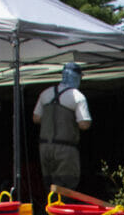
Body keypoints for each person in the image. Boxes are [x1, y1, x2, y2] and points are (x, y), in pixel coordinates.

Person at [33, 62, 92, 190]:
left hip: (45, 147)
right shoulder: (78, 97)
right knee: (66, 186)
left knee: (49, 185)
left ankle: (50, 203)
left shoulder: (45, 93)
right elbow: (84, 124)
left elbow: (36, 118)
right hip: (65, 149)